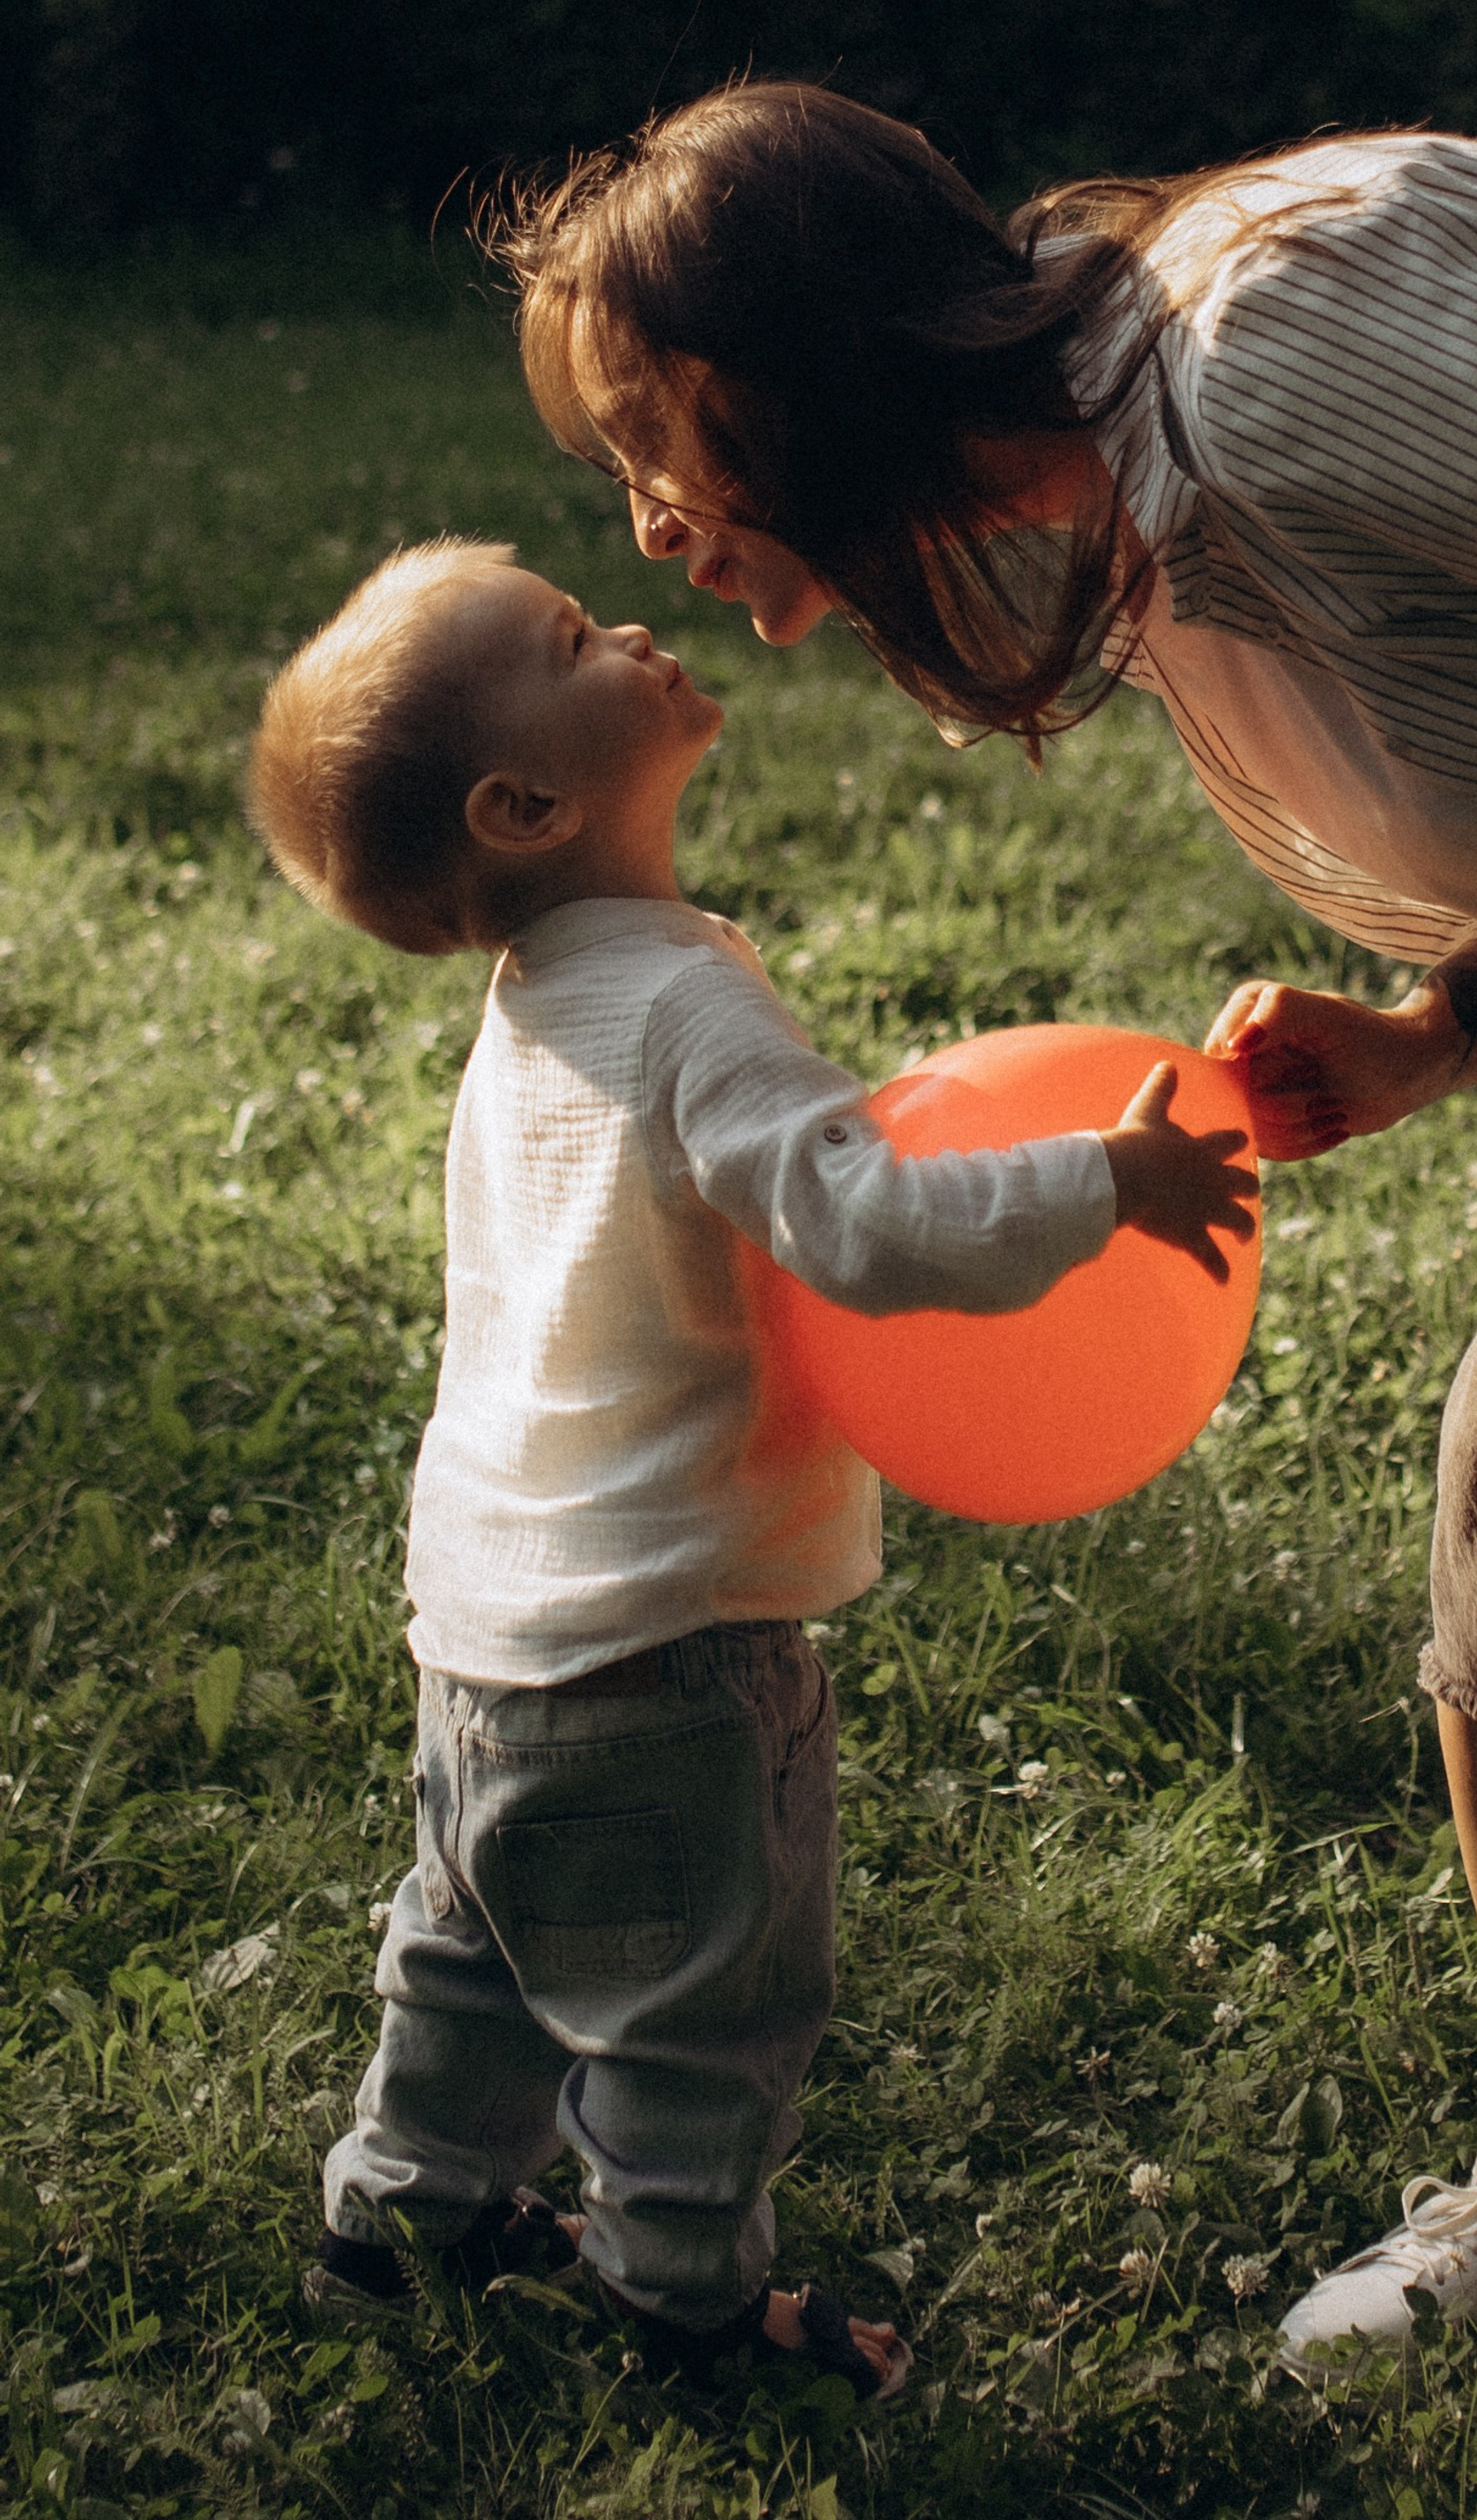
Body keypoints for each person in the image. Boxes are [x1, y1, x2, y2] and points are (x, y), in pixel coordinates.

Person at [498, 83, 1477, 2360]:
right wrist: (1454, 1021)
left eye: (651, 446)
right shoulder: (1157, 522)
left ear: (783, 376)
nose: (653, 530)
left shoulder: (1283, 352)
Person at [243, 536, 1257, 2392]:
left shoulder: (540, 996)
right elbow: (859, 1224)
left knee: (471, 1951)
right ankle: (685, 2305)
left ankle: (405, 2218)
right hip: (673, 1646)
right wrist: (1106, 1184)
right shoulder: (686, 1005)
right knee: (707, 2007)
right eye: (572, 636)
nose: (626, 621)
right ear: (529, 799)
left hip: (488, 1630)